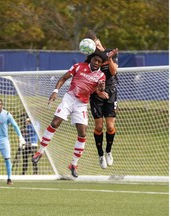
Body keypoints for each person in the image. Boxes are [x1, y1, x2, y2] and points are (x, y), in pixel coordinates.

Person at [31, 50, 112, 178]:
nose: (97, 63)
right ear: (91, 59)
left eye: (99, 62)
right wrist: (55, 91)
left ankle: (73, 164)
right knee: (55, 123)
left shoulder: (101, 75)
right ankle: (39, 152)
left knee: (83, 133)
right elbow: (63, 78)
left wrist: (101, 89)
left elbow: (98, 90)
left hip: (81, 104)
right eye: (95, 60)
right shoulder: (79, 66)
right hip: (69, 99)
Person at [85, 30, 119, 169]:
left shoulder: (111, 52)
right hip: (96, 94)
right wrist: (97, 92)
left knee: (110, 126)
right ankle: (100, 155)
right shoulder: (91, 58)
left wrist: (109, 58)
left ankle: (108, 151)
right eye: (93, 45)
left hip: (111, 91)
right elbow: (87, 79)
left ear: (98, 41)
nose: (96, 46)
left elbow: (113, 71)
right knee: (99, 126)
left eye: (97, 43)